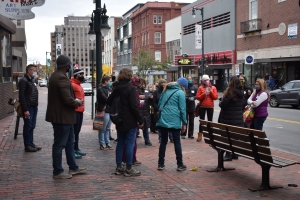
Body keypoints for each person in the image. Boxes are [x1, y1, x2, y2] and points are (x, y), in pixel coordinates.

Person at [46, 55, 87, 179]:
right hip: (62, 117)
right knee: (59, 144)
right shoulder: (61, 78)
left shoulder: (56, 76)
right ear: (66, 66)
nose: (70, 67)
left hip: (64, 117)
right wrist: (78, 102)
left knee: (70, 142)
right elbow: (67, 99)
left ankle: (73, 167)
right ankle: (58, 171)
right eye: (69, 64)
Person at [107, 68, 144, 177]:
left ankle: (119, 167)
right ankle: (129, 168)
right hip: (130, 119)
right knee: (130, 144)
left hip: (119, 119)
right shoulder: (131, 88)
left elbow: (108, 101)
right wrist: (140, 120)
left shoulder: (116, 88)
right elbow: (134, 106)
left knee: (120, 143)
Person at [156, 78, 188, 171]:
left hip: (163, 119)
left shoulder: (165, 90)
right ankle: (179, 164)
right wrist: (184, 123)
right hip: (174, 120)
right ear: (182, 86)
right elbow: (182, 109)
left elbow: (159, 105)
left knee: (163, 142)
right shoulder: (180, 93)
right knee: (177, 142)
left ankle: (160, 164)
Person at [218, 76, 244, 161]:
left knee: (227, 136)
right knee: (235, 137)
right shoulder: (241, 92)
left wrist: (221, 102)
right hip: (238, 120)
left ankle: (228, 154)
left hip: (228, 119)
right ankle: (235, 154)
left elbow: (223, 105)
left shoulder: (230, 92)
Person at [19, 64, 41, 152]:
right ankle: (27, 145)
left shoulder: (31, 80)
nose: (35, 71)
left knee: (32, 125)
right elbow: (22, 96)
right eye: (34, 70)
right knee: (28, 125)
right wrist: (25, 109)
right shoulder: (24, 81)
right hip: (28, 106)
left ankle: (31, 143)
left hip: (34, 105)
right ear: (29, 71)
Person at [196, 75, 218, 142]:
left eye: (207, 80)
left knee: (210, 121)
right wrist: (204, 94)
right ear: (203, 81)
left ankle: (210, 135)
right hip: (202, 106)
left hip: (210, 106)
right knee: (202, 121)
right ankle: (200, 135)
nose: (207, 81)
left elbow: (215, 97)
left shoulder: (213, 88)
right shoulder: (200, 88)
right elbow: (198, 97)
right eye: (205, 80)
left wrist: (210, 92)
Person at [70, 69, 86, 159]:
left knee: (77, 131)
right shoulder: (72, 85)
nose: (82, 76)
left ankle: (76, 148)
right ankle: (73, 150)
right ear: (76, 75)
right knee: (74, 131)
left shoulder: (79, 85)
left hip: (80, 111)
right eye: (81, 75)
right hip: (75, 111)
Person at [97, 75, 114, 150]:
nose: (110, 82)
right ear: (105, 81)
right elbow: (105, 99)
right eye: (109, 81)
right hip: (103, 110)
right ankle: (102, 143)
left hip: (109, 110)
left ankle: (107, 142)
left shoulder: (109, 88)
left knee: (107, 128)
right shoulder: (100, 89)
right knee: (102, 128)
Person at [137, 78, 152, 146]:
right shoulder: (135, 89)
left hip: (146, 111)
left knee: (145, 127)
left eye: (143, 83)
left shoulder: (147, 90)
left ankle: (147, 140)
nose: (142, 84)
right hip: (138, 111)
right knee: (136, 126)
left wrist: (148, 97)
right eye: (141, 82)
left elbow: (149, 97)